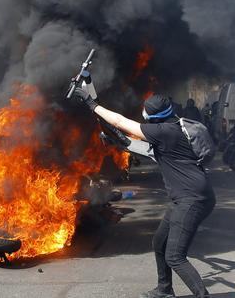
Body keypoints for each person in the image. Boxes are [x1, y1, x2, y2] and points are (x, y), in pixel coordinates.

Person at [73, 89, 215, 298]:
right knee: (160, 242)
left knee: (175, 256)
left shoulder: (164, 132)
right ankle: (165, 289)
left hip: (192, 199)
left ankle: (203, 295)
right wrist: (117, 141)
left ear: (153, 117)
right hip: (185, 197)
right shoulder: (174, 127)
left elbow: (120, 121)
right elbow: (138, 146)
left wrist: (91, 104)